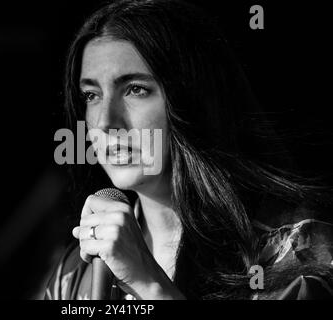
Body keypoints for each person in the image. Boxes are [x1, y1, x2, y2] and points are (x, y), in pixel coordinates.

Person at [44, 0, 333, 300]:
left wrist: (151, 285)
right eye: (91, 95)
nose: (105, 121)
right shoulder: (74, 276)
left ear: (191, 102)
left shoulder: (295, 253)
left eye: (135, 89)